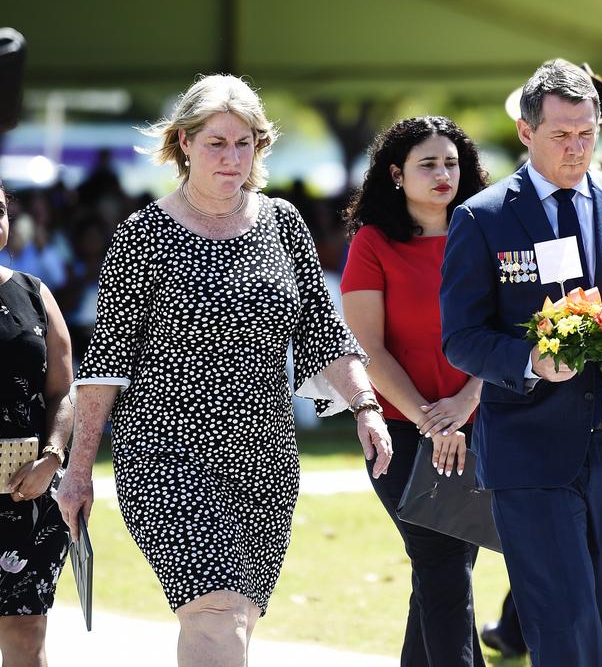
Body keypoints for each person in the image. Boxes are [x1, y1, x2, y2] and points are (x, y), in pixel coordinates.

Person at [54, 75, 393, 667]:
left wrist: (366, 407)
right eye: (217, 143)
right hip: (166, 456)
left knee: (234, 620)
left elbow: (323, 332)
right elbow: (106, 361)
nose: (233, 157)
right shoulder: (143, 235)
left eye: (245, 143)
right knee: (214, 615)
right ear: (184, 142)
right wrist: (79, 471)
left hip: (264, 458)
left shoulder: (283, 224)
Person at [440, 59, 602, 667]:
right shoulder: (483, 217)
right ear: (525, 132)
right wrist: (531, 361)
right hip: (530, 450)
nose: (576, 147)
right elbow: (460, 338)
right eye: (561, 135)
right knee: (563, 622)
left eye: (587, 133)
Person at [341, 116, 489, 667]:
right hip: (402, 432)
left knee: (444, 571)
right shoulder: (373, 244)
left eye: (451, 163)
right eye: (428, 164)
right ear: (396, 174)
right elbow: (368, 349)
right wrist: (432, 421)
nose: (443, 174)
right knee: (444, 566)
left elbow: (511, 332)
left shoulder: (487, 235)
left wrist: (466, 403)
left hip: (480, 424)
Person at [0, 179, 74, 667]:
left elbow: (63, 392)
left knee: (26, 635)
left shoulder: (34, 292)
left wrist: (53, 457)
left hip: (27, 494)